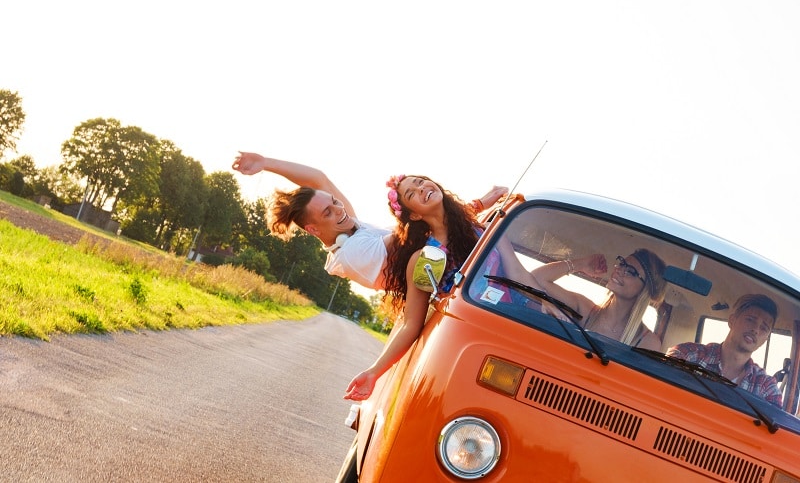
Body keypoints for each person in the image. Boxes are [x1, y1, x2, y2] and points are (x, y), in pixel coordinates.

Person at [232, 152, 507, 290]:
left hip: (455, 264)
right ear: (313, 229)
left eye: (334, 202)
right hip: (450, 283)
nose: (339, 210)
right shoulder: (353, 253)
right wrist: (478, 204)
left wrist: (266, 163)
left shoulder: (350, 228)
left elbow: (318, 178)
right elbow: (417, 231)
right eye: (327, 212)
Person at [343, 174, 488, 401]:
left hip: (521, 315)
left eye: (420, 182)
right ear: (415, 214)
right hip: (477, 336)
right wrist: (374, 372)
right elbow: (412, 324)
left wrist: (565, 265)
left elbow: (519, 274)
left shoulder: (478, 230)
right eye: (412, 193)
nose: (421, 188)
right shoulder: (426, 258)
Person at [530, 249, 667, 350]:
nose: (619, 270)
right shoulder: (585, 309)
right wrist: (580, 264)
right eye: (622, 263)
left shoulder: (647, 341)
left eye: (630, 271)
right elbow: (535, 279)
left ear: (645, 289)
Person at [666, 294, 783, 408]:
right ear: (732, 320)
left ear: (765, 340)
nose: (756, 330)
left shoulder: (766, 387)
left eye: (763, 328)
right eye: (750, 320)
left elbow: (773, 423)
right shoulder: (688, 355)